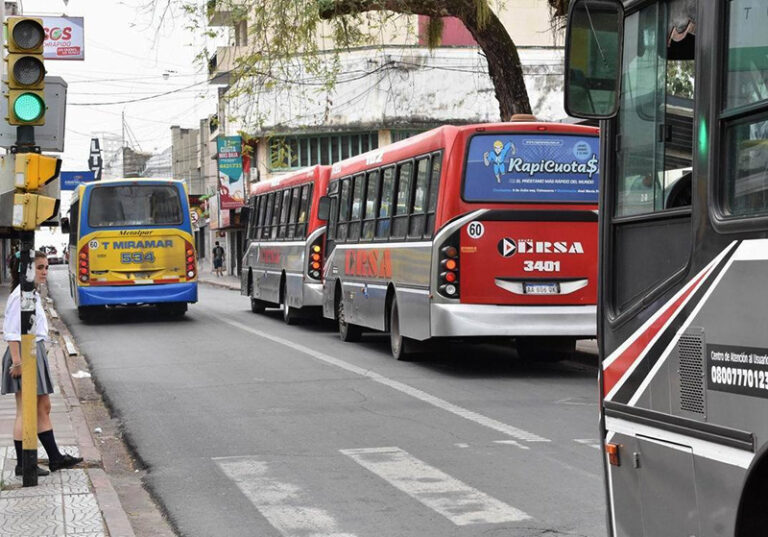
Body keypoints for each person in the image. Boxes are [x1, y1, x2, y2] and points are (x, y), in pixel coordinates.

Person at [1, 251, 83, 476]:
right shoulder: (20, 296)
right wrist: (17, 362)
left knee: (43, 406)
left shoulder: (31, 293)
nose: (45, 271)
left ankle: (55, 458)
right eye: (40, 268)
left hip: (33, 352)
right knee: (24, 410)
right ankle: (23, 464)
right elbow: (11, 332)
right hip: (24, 355)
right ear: (27, 269)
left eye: (46, 267)